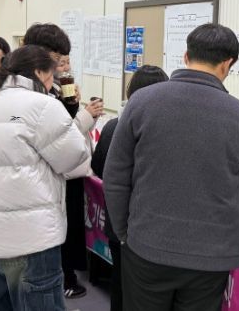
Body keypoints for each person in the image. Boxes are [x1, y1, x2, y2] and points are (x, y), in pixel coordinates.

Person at [104, 23, 239, 311]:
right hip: (211, 256)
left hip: (146, 245)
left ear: (186, 56)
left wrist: (125, 233)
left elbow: (115, 176)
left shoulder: (141, 102)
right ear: (227, 64)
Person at [0, 45, 92, 311]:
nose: (53, 84)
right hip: (34, 240)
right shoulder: (43, 106)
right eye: (51, 76)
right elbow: (74, 157)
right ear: (38, 72)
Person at [23, 23, 104, 299]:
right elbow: (60, 136)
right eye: (57, 59)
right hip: (41, 189)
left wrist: (73, 108)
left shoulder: (53, 89)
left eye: (65, 60)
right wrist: (84, 116)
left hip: (53, 180)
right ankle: (64, 280)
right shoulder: (35, 97)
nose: (62, 65)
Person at [92, 65, 169, 311]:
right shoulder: (164, 131)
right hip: (148, 225)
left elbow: (98, 167)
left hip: (117, 223)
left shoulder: (113, 126)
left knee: (119, 282)